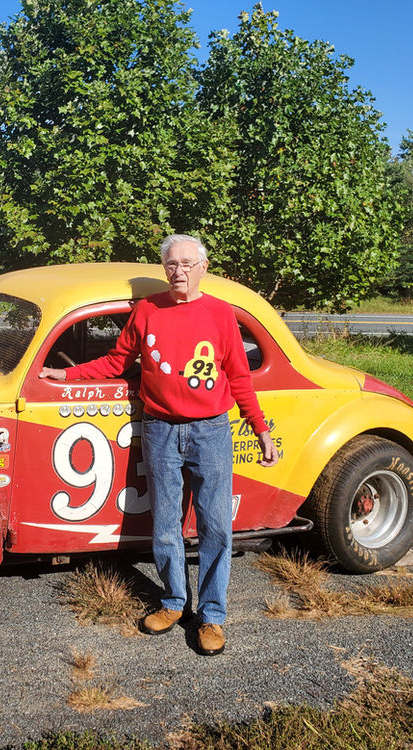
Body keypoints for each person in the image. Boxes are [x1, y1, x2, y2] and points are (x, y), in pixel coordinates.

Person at [40, 234, 278, 656]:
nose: (179, 271)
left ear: (203, 267)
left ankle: (212, 616)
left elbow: (239, 377)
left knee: (215, 526)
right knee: (166, 524)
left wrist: (260, 430)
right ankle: (173, 603)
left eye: (187, 263)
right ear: (164, 268)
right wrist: (70, 375)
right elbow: (118, 361)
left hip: (210, 431)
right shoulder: (147, 311)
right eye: (171, 264)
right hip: (160, 429)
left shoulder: (222, 315)